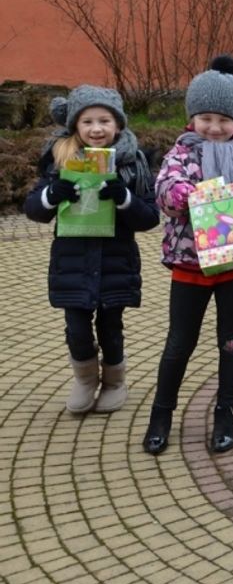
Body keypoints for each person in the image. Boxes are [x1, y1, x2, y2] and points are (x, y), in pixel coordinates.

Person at [143, 60, 233, 455]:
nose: (214, 127)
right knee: (178, 342)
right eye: (205, 118)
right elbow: (167, 193)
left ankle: (226, 412)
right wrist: (204, 196)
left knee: (232, 341)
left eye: (223, 119)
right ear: (192, 118)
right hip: (190, 266)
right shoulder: (181, 154)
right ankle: (161, 413)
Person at [24, 86, 160, 414]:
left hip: (116, 262)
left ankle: (114, 381)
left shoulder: (132, 164)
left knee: (111, 327)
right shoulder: (60, 159)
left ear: (118, 125)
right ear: (75, 126)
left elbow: (150, 217)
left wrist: (124, 197)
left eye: (104, 120)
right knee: (77, 327)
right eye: (87, 121)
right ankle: (85, 380)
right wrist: (53, 194)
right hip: (72, 264)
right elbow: (34, 209)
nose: (96, 129)